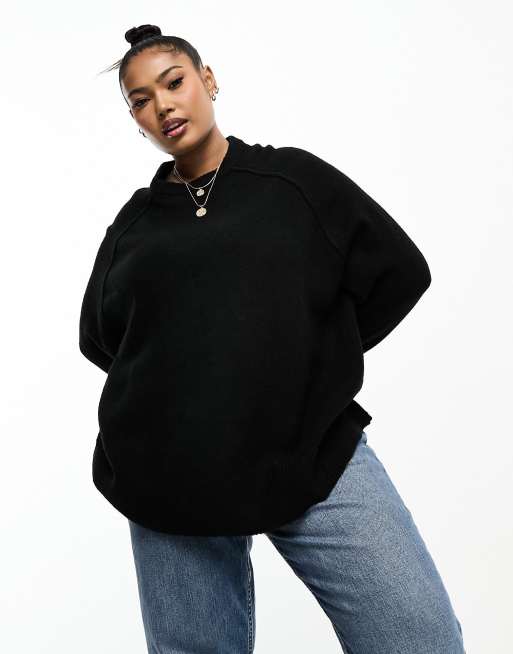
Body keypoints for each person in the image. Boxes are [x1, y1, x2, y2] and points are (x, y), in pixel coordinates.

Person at [79, 23, 466, 653]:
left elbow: (399, 273)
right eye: (141, 101)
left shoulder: (294, 183)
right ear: (135, 120)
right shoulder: (134, 228)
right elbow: (101, 340)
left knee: (419, 638)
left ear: (208, 80)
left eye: (174, 83)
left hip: (310, 450)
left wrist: (304, 363)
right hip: (171, 477)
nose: (163, 106)